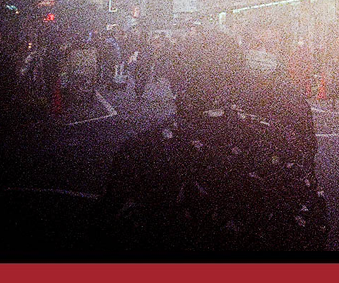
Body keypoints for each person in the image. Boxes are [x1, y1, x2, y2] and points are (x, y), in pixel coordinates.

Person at [94, 37, 326, 254]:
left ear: (179, 81)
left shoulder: (145, 149)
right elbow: (313, 224)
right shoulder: (278, 143)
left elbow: (110, 227)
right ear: (237, 79)